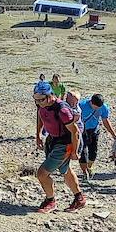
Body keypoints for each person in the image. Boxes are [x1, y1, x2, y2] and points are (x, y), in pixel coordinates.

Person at [33, 81, 85, 212]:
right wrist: (38, 134)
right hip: (52, 140)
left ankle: (51, 201)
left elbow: (75, 132)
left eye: (41, 99)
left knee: (42, 174)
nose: (38, 102)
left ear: (50, 95)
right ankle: (79, 198)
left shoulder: (62, 110)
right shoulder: (41, 104)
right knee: (65, 170)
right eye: (36, 99)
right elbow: (40, 116)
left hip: (64, 144)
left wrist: (74, 151)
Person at [77, 93, 116, 182]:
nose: (98, 108)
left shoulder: (104, 107)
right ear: (91, 102)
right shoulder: (82, 105)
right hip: (82, 131)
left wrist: (113, 134)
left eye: (99, 107)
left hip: (94, 130)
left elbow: (105, 121)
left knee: (93, 152)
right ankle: (84, 172)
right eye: (96, 107)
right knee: (83, 152)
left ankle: (89, 167)